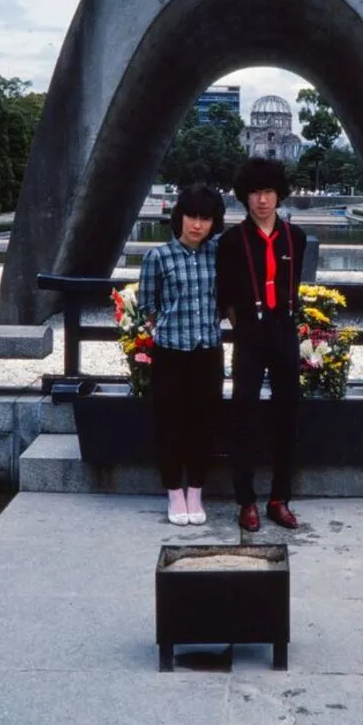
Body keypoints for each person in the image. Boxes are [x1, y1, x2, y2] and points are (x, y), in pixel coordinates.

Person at [216, 157, 307, 531]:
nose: (262, 200)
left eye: (268, 192)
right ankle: (246, 501)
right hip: (250, 335)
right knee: (244, 416)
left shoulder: (295, 238)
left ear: (279, 195)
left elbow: (294, 286)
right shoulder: (231, 240)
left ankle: (279, 498)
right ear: (244, 196)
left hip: (284, 331)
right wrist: (243, 325)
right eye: (255, 192)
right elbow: (224, 293)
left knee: (288, 415)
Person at [138, 183, 225, 526]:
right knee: (170, 422)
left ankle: (196, 492)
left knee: (204, 423)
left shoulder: (217, 253)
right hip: (171, 352)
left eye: (206, 218)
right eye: (192, 216)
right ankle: (174, 491)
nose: (198, 225)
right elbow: (148, 307)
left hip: (208, 350)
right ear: (180, 217)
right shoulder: (158, 257)